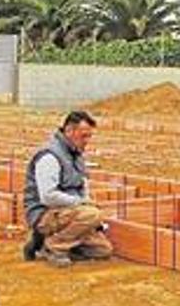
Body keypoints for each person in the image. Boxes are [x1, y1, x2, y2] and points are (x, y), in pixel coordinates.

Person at [23, 111, 113, 267]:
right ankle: (55, 246)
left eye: (89, 136)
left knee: (103, 250)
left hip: (68, 213)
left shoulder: (76, 154)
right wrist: (81, 204)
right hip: (45, 214)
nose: (87, 141)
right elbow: (48, 196)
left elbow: (82, 183)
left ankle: (44, 244)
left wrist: (86, 203)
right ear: (69, 131)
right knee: (92, 215)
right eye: (84, 136)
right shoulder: (49, 156)